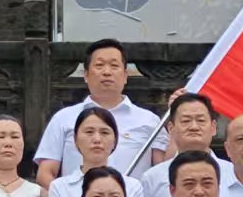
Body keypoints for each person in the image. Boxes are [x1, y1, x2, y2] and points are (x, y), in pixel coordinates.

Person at [34, 39, 168, 184]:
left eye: (114, 66)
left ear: (125, 76)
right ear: (86, 75)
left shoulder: (150, 121)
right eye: (99, 65)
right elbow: (45, 173)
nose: (107, 72)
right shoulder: (63, 118)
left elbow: (163, 171)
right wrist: (66, 196)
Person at [49, 108, 148, 197]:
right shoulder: (59, 187)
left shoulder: (132, 186)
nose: (97, 139)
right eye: (89, 132)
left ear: (115, 140)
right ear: (75, 140)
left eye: (104, 132)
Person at [142, 92, 235, 197]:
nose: (194, 127)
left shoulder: (235, 174)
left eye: (201, 120)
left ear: (213, 127)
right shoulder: (153, 177)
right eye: (186, 121)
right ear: (171, 128)